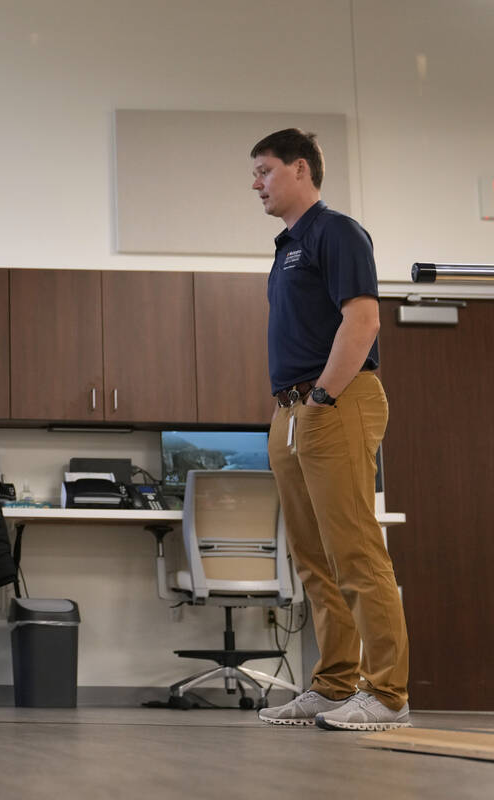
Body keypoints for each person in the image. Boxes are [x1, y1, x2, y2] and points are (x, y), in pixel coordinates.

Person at [249, 128, 410, 730]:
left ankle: (388, 693)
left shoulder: (335, 231)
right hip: (290, 411)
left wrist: (320, 398)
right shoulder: (284, 246)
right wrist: (296, 408)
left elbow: (363, 321)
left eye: (264, 171)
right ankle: (336, 684)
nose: (256, 184)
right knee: (313, 560)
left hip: (333, 402)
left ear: (300, 170)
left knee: (356, 551)